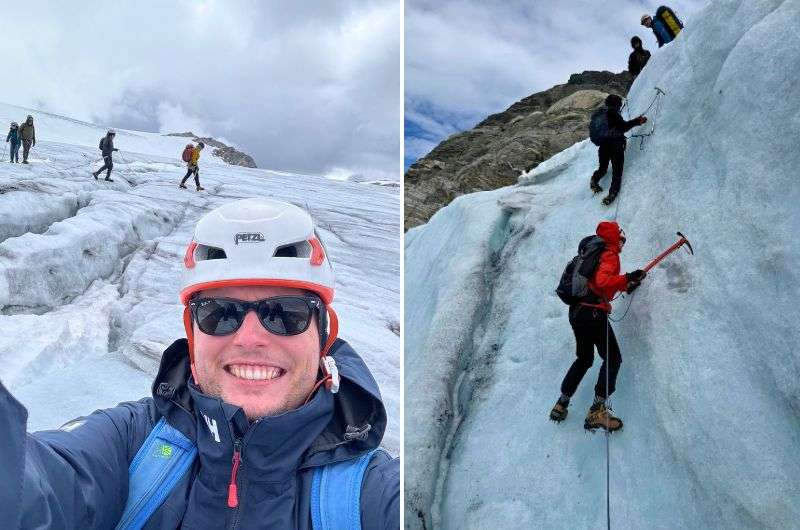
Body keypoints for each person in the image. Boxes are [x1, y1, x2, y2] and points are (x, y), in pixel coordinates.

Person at [0, 198, 399, 529]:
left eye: (285, 313)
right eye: (219, 313)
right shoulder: (130, 444)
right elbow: (29, 486)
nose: (250, 337)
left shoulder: (373, 495)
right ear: (192, 335)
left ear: (324, 334)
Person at [549, 221, 646, 431]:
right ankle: (597, 411)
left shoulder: (588, 254)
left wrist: (625, 284)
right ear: (613, 237)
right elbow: (603, 283)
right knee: (613, 358)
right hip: (593, 312)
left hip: (577, 312)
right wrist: (628, 277)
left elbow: (598, 286)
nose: (622, 243)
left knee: (584, 359)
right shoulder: (608, 253)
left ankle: (561, 403)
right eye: (620, 238)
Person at [589, 94, 647, 206]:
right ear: (617, 104)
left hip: (603, 146)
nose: (620, 107)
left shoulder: (601, 113)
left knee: (603, 168)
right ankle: (612, 193)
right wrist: (637, 121)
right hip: (615, 145)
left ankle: (594, 180)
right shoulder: (613, 113)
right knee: (617, 172)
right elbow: (623, 127)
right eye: (619, 105)